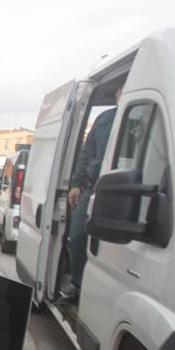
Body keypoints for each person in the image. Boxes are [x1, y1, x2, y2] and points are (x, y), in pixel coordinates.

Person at [62, 94, 118, 302]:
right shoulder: (104, 119)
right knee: (77, 237)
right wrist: (76, 184)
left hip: (120, 188)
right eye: (119, 91)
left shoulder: (140, 117)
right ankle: (78, 285)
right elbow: (86, 153)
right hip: (93, 187)